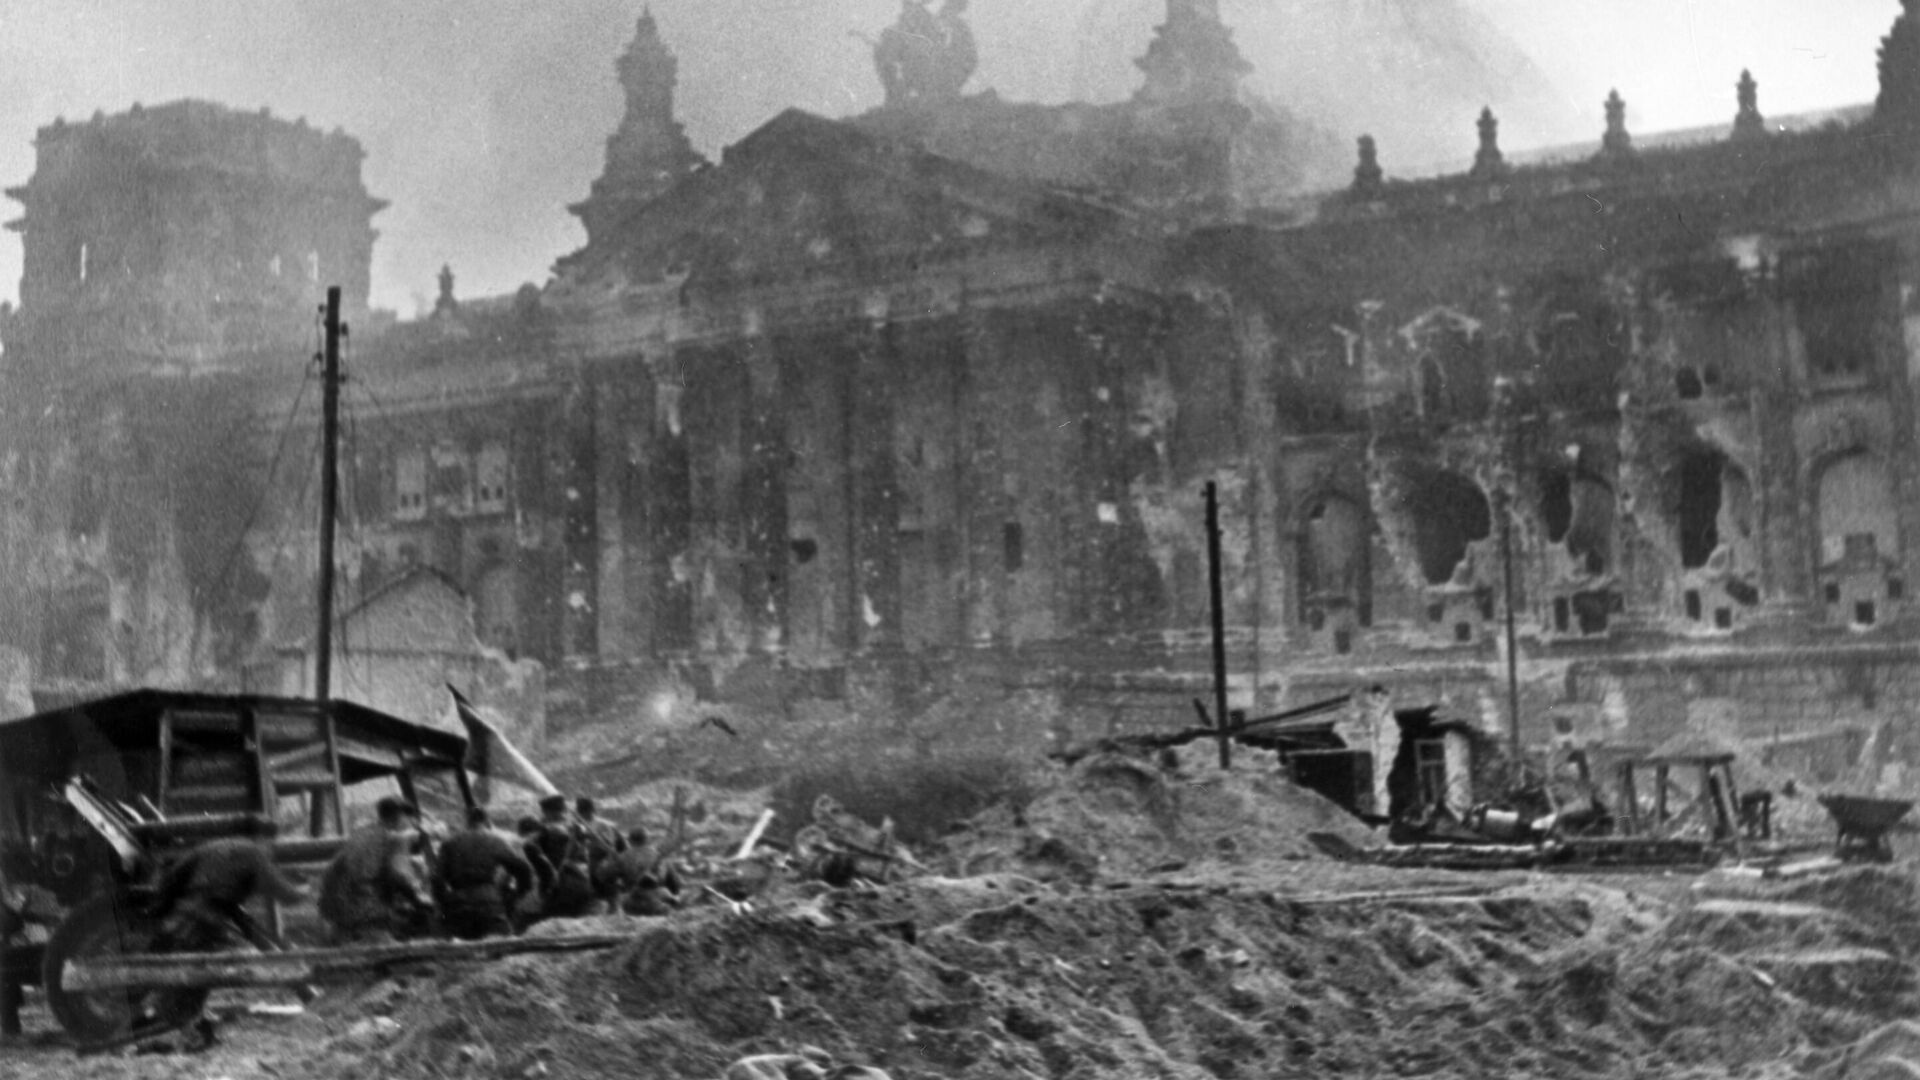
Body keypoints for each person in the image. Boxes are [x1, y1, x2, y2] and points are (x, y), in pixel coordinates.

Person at [318, 796, 433, 945]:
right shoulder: (386, 838)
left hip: (336, 910)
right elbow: (398, 874)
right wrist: (417, 895)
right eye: (411, 821)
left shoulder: (366, 833)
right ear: (400, 818)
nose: (413, 826)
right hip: (360, 910)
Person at [432, 808, 537, 940]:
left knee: (461, 947)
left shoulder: (449, 843)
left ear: (467, 822)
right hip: (488, 901)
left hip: (458, 902)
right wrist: (518, 893)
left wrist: (443, 901)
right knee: (501, 944)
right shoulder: (495, 841)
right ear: (487, 821)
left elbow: (437, 878)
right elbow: (522, 868)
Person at [532, 794, 600, 919]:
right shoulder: (578, 827)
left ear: (547, 812)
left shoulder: (546, 830)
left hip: (561, 884)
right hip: (584, 882)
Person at [597, 826, 682, 916]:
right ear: (648, 840)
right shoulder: (659, 857)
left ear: (630, 841)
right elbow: (675, 885)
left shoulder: (623, 857)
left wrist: (619, 885)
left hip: (631, 904)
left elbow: (604, 877)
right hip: (658, 903)